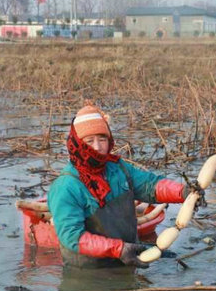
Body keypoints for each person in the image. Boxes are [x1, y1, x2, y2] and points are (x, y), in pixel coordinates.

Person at [48, 105, 191, 269]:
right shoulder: (66, 186)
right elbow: (72, 237)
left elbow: (150, 186)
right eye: (89, 141)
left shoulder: (117, 169)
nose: (97, 147)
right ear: (77, 144)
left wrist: (183, 192)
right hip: (89, 274)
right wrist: (119, 249)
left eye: (102, 139)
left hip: (127, 259)